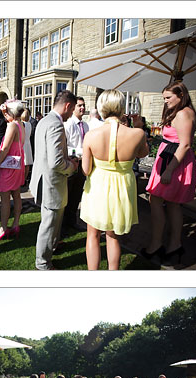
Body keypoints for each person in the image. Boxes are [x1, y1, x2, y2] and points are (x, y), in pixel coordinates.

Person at [79, 89, 149, 270]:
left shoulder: (91, 135)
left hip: (97, 186)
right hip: (123, 187)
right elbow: (143, 153)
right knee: (113, 235)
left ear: (101, 107)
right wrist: (139, 126)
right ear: (121, 107)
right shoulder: (137, 134)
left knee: (92, 234)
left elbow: (85, 170)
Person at [142, 82, 196, 268]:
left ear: (180, 95)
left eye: (168, 97)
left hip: (174, 162)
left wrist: (168, 170)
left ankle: (160, 245)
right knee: (172, 204)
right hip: (171, 157)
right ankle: (171, 245)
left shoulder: (183, 113)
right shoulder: (181, 111)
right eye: (164, 98)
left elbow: (184, 145)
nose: (165, 101)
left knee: (158, 200)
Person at [32, 89, 80, 270]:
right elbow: (56, 162)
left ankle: (52, 245)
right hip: (51, 183)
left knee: (52, 221)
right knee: (49, 222)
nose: (72, 113)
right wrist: (72, 166)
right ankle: (43, 263)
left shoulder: (45, 120)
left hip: (45, 179)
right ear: (68, 106)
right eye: (73, 108)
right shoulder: (56, 124)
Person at [0, 100, 27, 240]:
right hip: (17, 165)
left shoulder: (12, 126)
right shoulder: (21, 124)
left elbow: (5, 149)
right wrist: (5, 111)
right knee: (16, 195)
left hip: (8, 166)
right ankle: (16, 224)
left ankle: (3, 228)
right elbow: (10, 117)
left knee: (5, 199)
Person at [63, 96, 88, 235]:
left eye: (83, 105)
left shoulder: (85, 125)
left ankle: (72, 221)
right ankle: (64, 225)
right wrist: (81, 151)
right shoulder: (68, 124)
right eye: (79, 105)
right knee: (67, 196)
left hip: (82, 165)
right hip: (71, 163)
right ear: (73, 108)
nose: (82, 108)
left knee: (77, 195)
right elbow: (65, 147)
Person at [21, 108, 34, 187]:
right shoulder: (29, 124)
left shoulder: (22, 124)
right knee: (27, 164)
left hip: (23, 143)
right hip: (28, 143)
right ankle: (24, 179)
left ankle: (21, 180)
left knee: (23, 163)